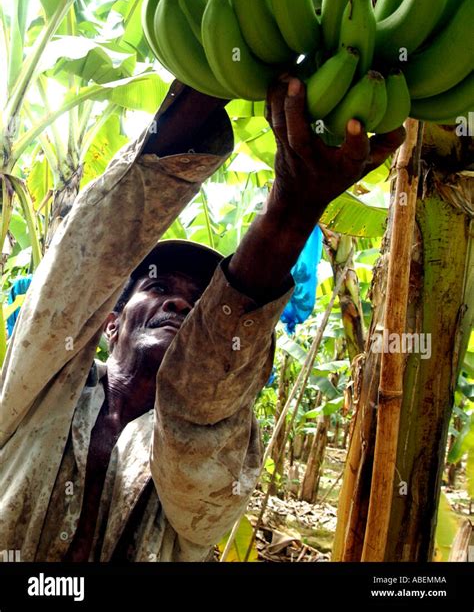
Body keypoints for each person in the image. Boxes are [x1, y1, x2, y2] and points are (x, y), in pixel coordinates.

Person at [0, 77, 405, 562]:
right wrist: (208, 76)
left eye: (199, 302)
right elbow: (79, 272)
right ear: (111, 324)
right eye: (159, 287)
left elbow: (206, 380)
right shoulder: (33, 397)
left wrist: (295, 207)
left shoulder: (215, 453)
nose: (180, 305)